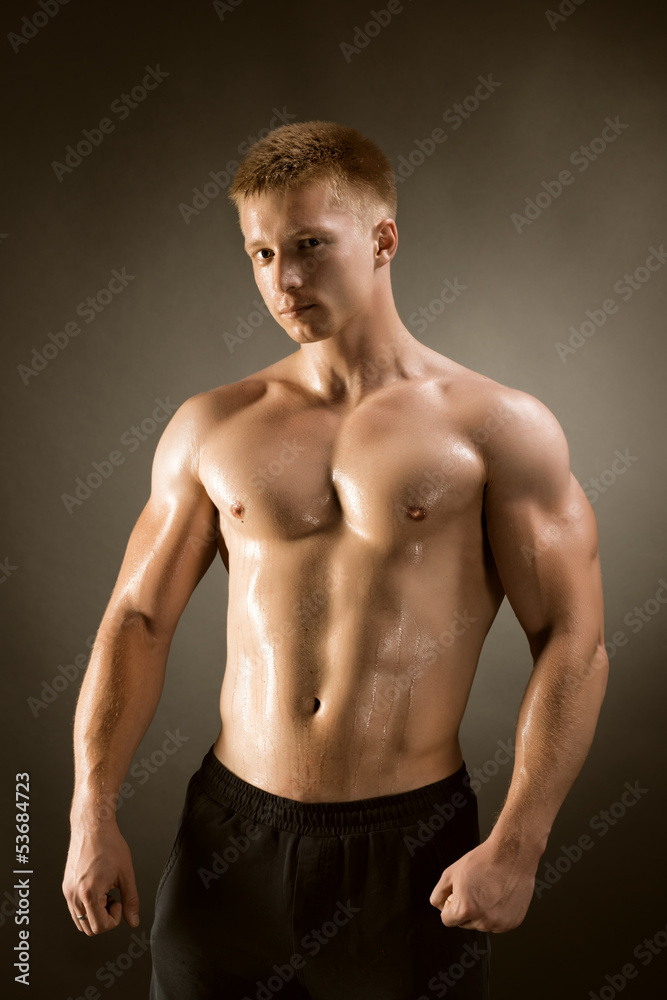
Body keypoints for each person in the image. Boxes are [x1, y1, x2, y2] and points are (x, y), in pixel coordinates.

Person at [62, 120, 609, 999]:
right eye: (262, 252)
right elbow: (137, 617)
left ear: (383, 238)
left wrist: (519, 842)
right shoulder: (214, 426)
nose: (283, 280)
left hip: (408, 851)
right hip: (226, 839)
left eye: (310, 245)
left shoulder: (495, 428)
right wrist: (91, 809)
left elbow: (574, 643)